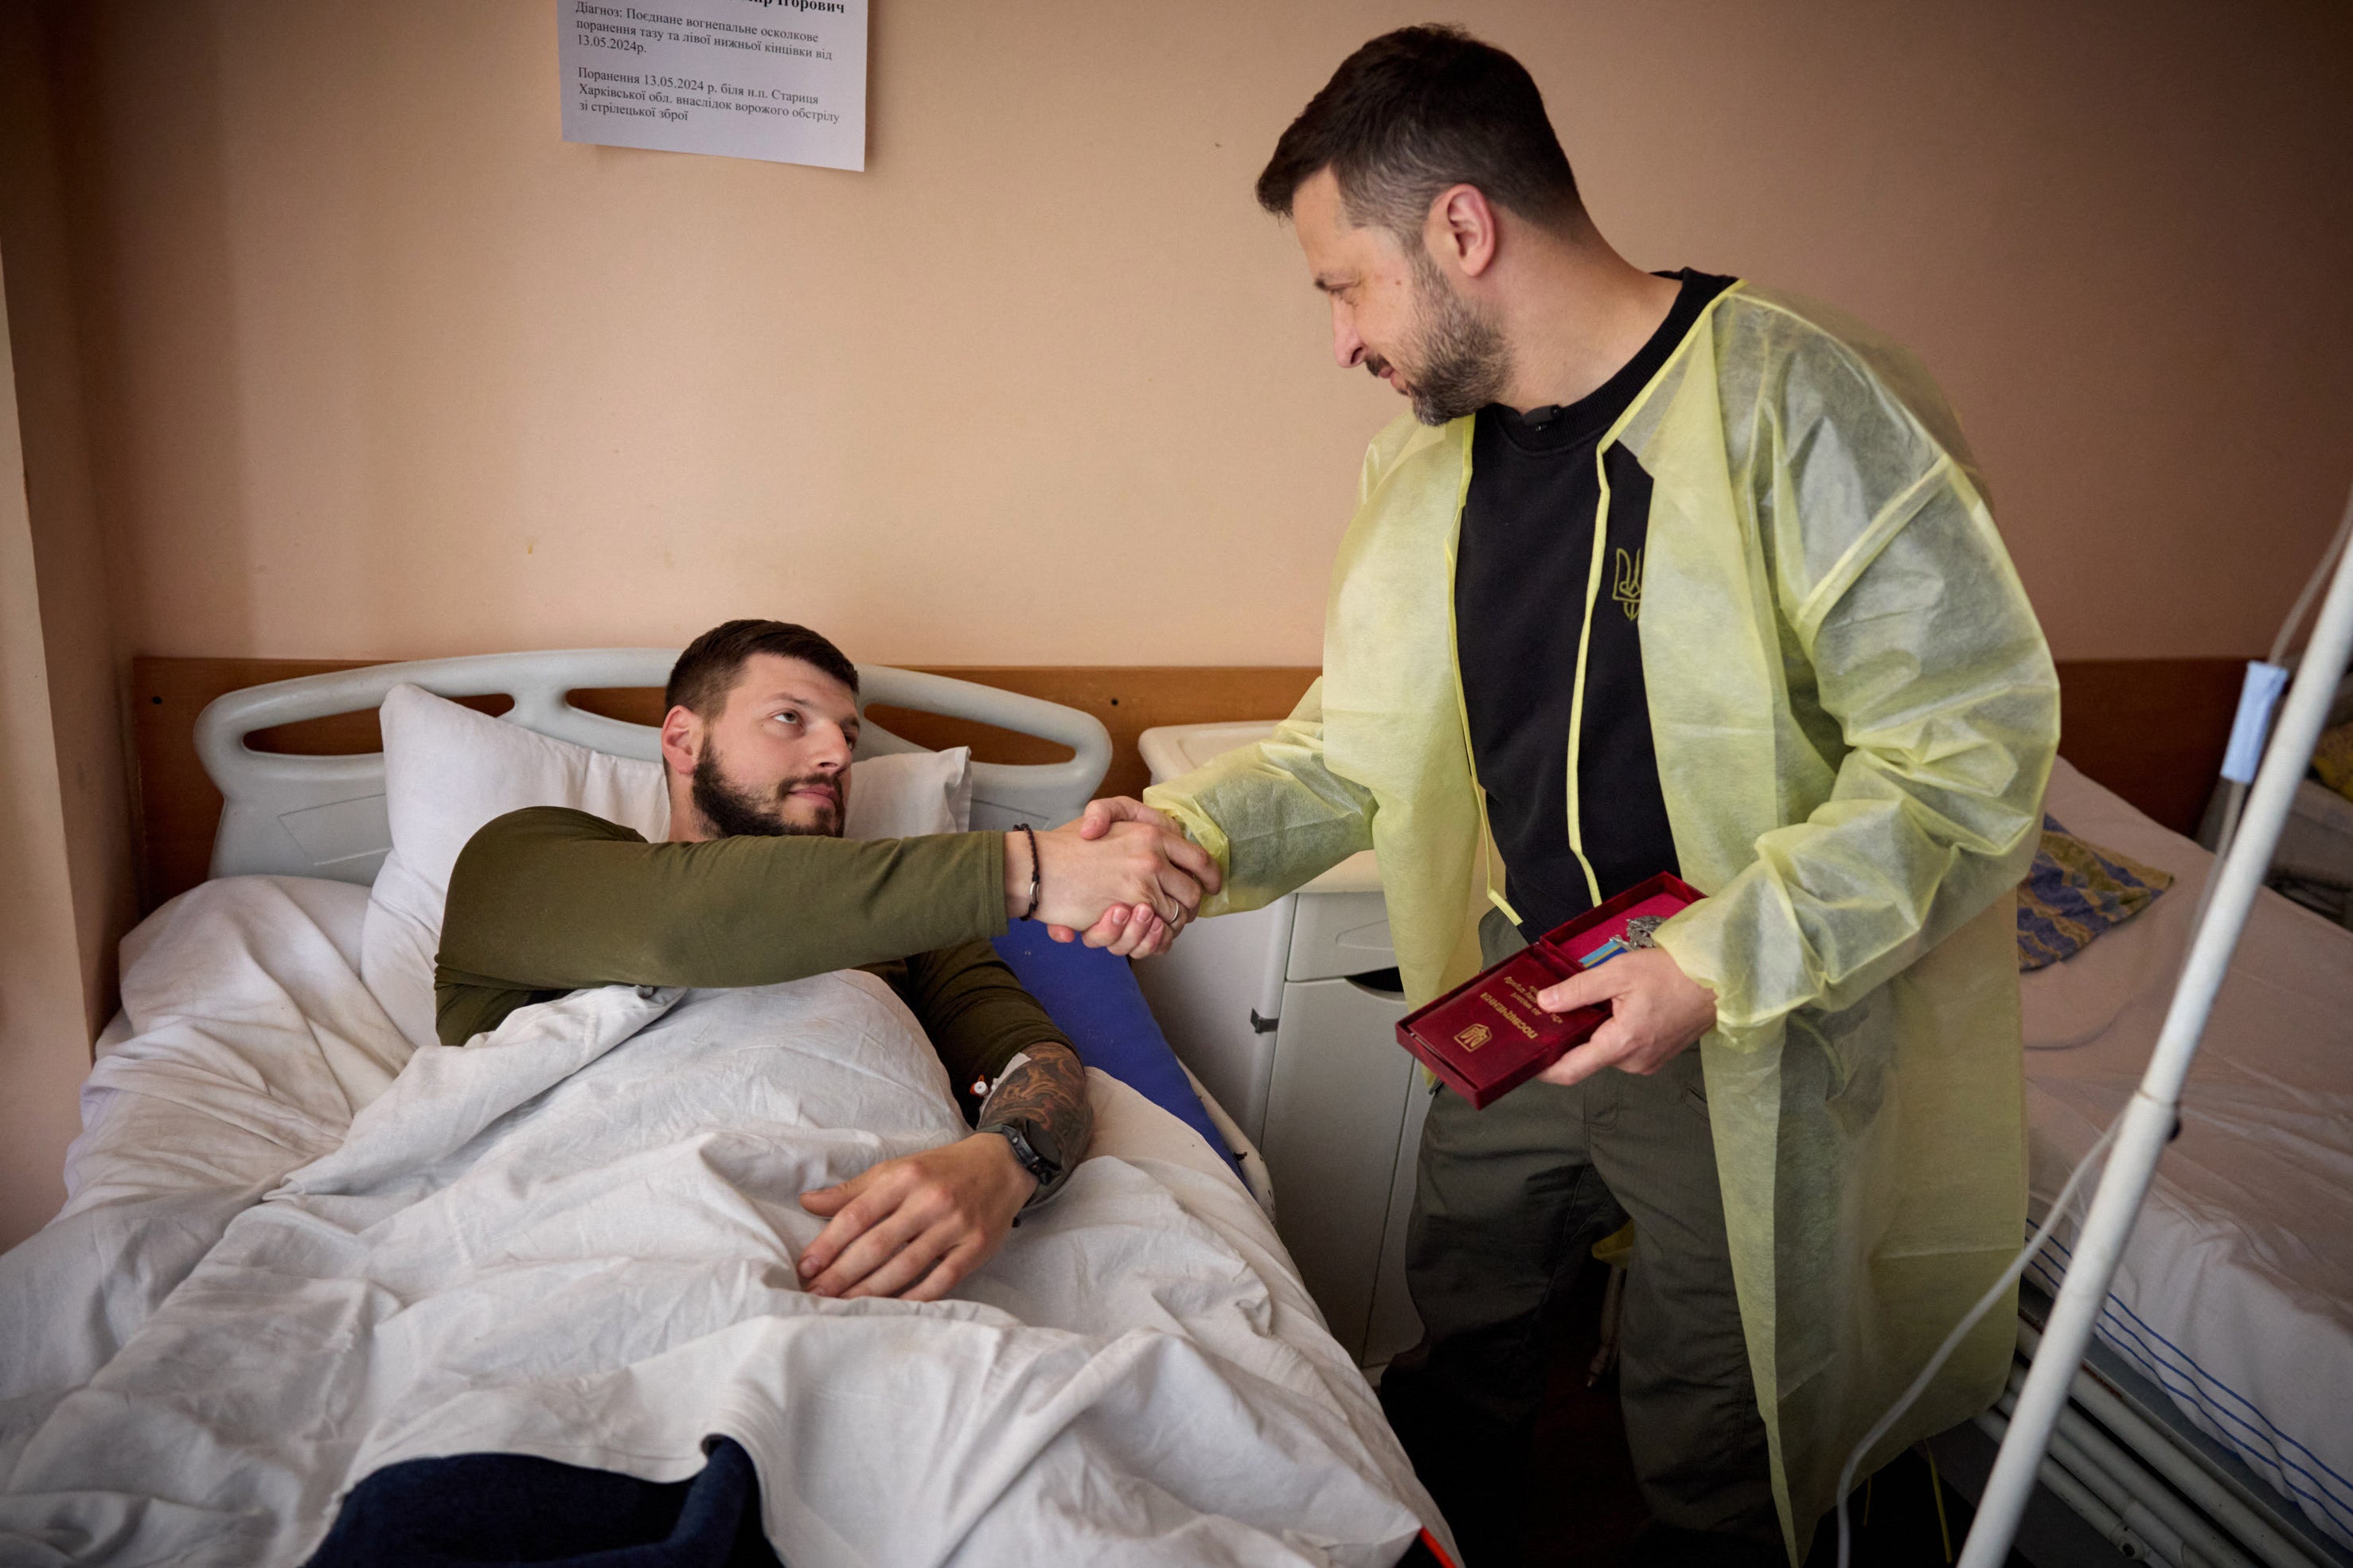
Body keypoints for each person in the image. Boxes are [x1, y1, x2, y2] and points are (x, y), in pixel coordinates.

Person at [1071, 26, 2060, 1566]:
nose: (1338, 338)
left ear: (1462, 231)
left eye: (1344, 282)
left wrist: (1710, 962)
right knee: (1461, 1315)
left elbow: (1964, 760)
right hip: (1520, 990)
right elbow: (1359, 748)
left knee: (1709, 1423)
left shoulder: (1799, 403)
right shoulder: (1429, 472)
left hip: (1743, 1027)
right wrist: (1192, 831)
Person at [435, 617, 1220, 1304]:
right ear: (681, 736)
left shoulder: (920, 928)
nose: (834, 754)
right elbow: (686, 925)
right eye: (790, 717)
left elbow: (1030, 1058)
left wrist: (1006, 1158)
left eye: (847, 735)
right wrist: (1029, 868)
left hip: (851, 1259)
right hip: (574, 1251)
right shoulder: (527, 857)